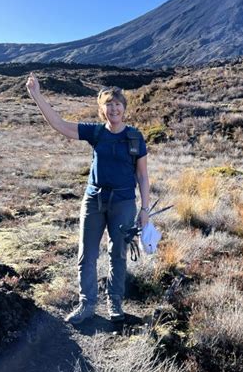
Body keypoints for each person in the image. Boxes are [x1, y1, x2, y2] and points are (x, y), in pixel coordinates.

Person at [25, 72, 150, 324]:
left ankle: (114, 303)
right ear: (102, 110)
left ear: (124, 108)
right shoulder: (96, 133)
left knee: (118, 254)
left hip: (124, 203)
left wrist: (145, 209)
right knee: (87, 253)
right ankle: (87, 304)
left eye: (117, 104)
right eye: (108, 104)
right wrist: (36, 95)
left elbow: (143, 176)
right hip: (94, 200)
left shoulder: (135, 137)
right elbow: (60, 124)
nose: (113, 108)